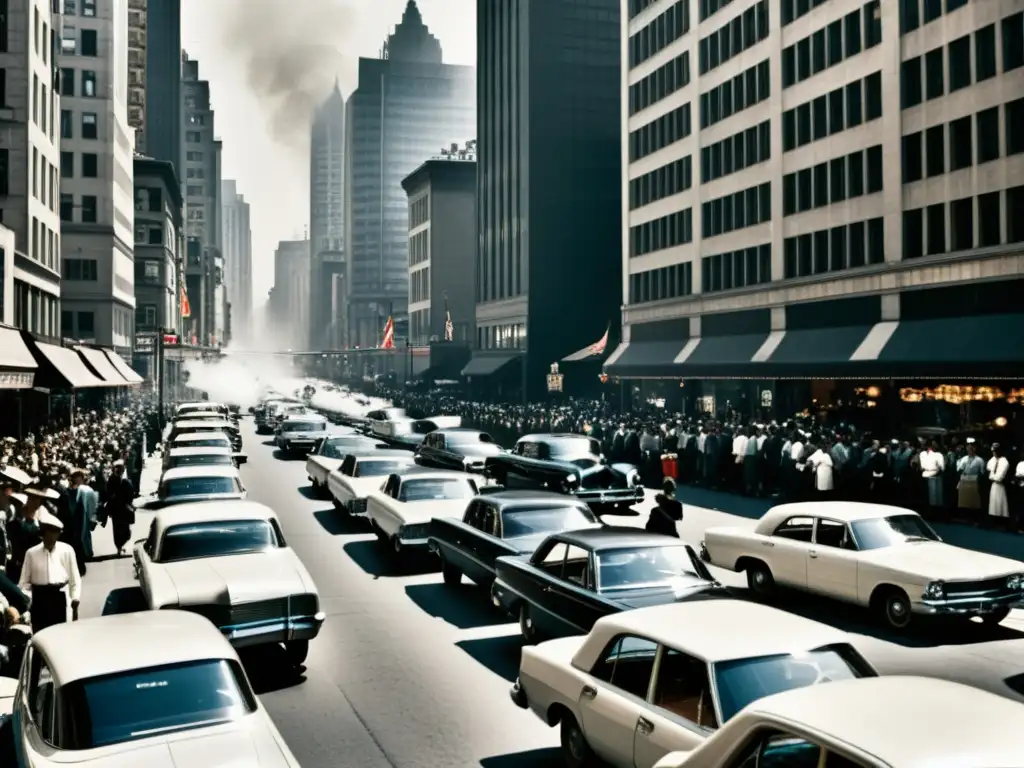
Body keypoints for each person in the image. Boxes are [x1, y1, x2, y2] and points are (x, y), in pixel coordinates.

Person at [18, 509, 81, 633]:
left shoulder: (67, 550)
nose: (51, 537)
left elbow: (75, 578)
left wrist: (75, 598)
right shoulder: (31, 553)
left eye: (55, 533)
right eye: (49, 533)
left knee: (62, 633)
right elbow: (24, 582)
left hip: (59, 598)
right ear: (43, 533)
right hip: (39, 599)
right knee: (40, 634)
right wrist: (27, 601)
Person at [102, 460, 136, 556]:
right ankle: (120, 548)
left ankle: (120, 547)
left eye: (121, 467)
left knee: (123, 530)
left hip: (121, 510)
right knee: (119, 530)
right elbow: (109, 494)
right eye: (118, 467)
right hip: (118, 510)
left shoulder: (122, 479)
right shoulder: (114, 480)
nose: (120, 469)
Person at [986, 443, 1010, 528]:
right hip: (993, 485)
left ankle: (1001, 522)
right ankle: (993, 521)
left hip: (1000, 485)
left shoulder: (1004, 461)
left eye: (995, 451)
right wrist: (992, 476)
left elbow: (999, 477)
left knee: (1000, 502)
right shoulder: (992, 460)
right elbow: (989, 472)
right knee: (993, 503)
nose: (993, 453)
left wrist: (993, 477)